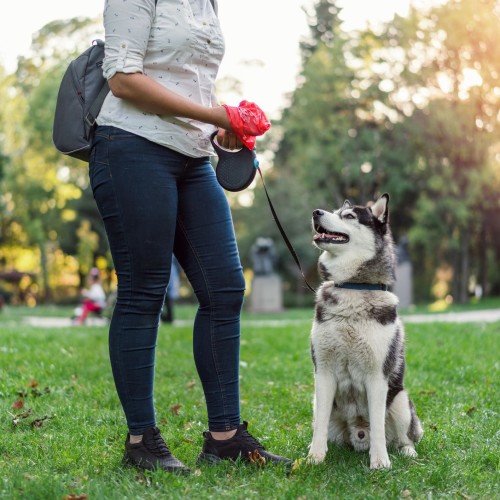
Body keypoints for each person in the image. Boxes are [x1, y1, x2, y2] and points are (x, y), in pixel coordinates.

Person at [90, 0, 291, 474]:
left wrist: (220, 129)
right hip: (132, 146)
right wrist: (219, 115)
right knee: (144, 290)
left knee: (224, 288)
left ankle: (224, 437)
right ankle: (141, 442)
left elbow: (191, 78)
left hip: (193, 155)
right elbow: (122, 78)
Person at [160, 258, 180, 324]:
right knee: (168, 293)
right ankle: (166, 317)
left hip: (170, 267)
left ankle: (169, 317)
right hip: (168, 266)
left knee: (169, 294)